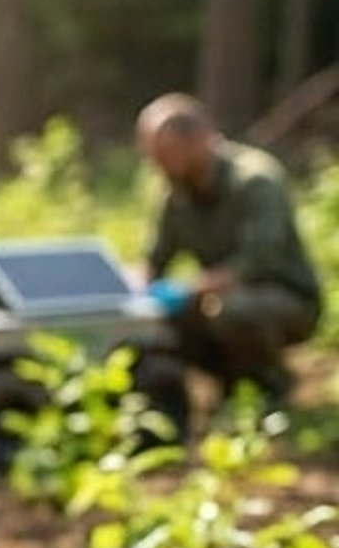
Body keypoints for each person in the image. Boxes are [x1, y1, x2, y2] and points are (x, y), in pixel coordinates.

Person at [137, 93, 323, 407]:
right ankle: (230, 383)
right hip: (222, 298)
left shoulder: (254, 180)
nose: (157, 163)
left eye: (166, 153)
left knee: (232, 311)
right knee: (160, 322)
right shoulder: (176, 193)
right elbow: (155, 261)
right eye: (152, 154)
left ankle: (270, 386)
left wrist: (191, 289)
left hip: (286, 298)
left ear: (199, 140)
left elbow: (259, 260)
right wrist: (132, 295)